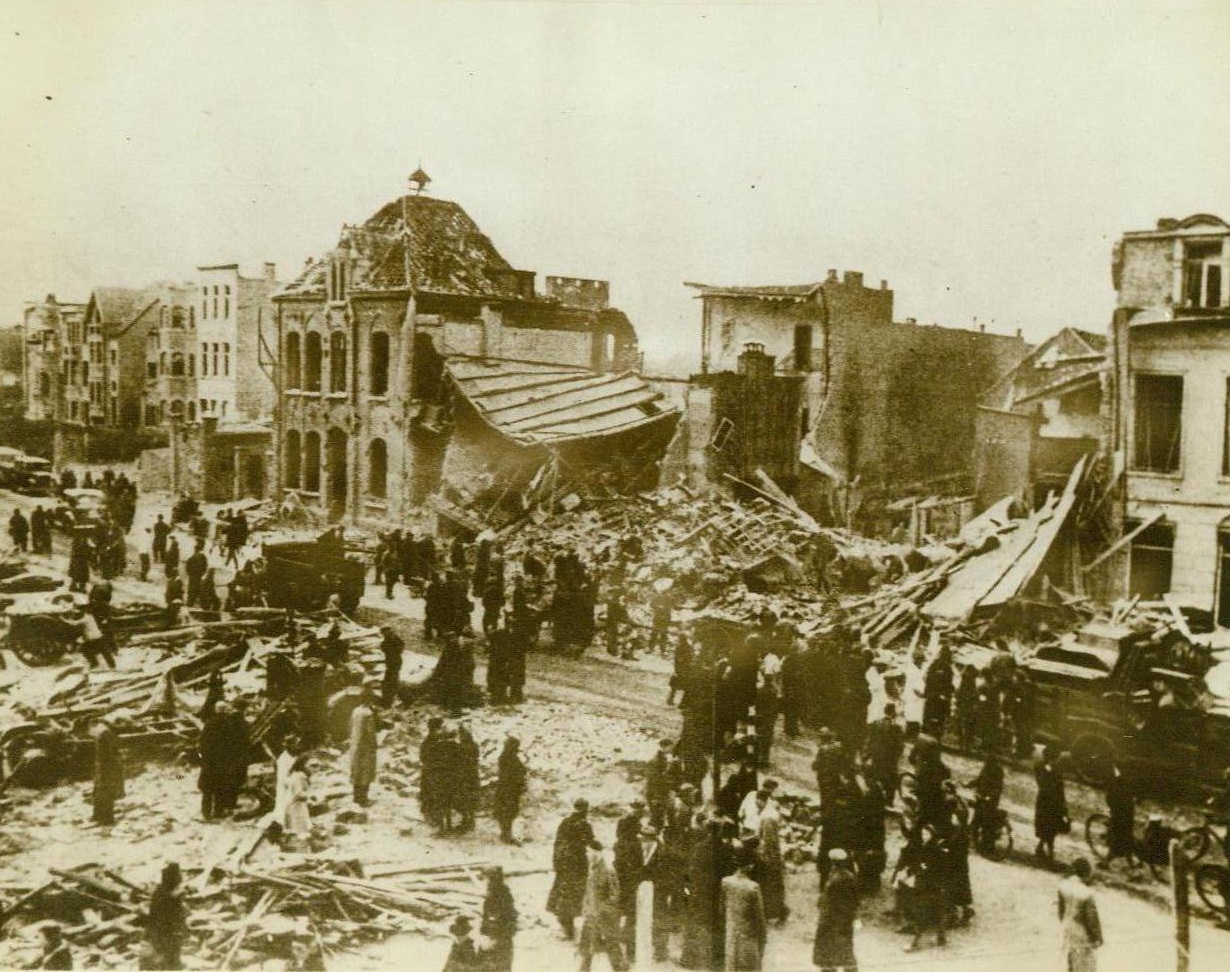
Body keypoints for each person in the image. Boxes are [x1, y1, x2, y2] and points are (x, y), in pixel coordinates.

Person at [548, 799, 595, 939]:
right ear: (585, 809)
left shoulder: (565, 822)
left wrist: (556, 863)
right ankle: (569, 927)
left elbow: (557, 843)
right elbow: (591, 842)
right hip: (577, 865)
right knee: (575, 895)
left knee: (563, 894)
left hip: (563, 865)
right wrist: (600, 847)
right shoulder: (584, 824)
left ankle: (566, 925)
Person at [580, 840, 627, 972]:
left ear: (596, 852)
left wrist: (602, 910)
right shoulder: (593, 867)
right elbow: (589, 892)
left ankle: (621, 969)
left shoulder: (608, 869)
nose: (586, 854)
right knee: (587, 944)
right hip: (592, 915)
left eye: (588, 852)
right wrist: (586, 908)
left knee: (612, 945)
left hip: (607, 916)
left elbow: (615, 895)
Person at [813, 848, 859, 972]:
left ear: (833, 862)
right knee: (846, 951)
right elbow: (855, 900)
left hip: (833, 921)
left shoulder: (835, 879)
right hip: (845, 920)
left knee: (829, 953)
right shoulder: (850, 876)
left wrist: (823, 918)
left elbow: (830, 901)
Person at [722, 855, 767, 972]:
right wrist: (763, 934)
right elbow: (759, 915)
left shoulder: (726, 882)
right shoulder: (753, 887)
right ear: (750, 866)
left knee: (732, 963)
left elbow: (722, 907)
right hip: (748, 932)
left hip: (731, 931)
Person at [1057, 858, 1103, 972]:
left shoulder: (1063, 886)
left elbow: (1061, 911)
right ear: (1086, 873)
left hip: (1067, 928)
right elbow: (1091, 919)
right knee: (1084, 966)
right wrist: (1097, 936)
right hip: (1082, 935)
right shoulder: (1087, 894)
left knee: (1069, 961)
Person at [144, 862, 187, 970]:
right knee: (171, 951)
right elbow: (175, 914)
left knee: (167, 951)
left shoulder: (158, 892)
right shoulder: (171, 896)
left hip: (158, 930)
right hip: (166, 930)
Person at [1034, 745, 1068, 865]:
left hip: (1052, 802)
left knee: (1049, 828)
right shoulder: (1045, 768)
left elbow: (1059, 786)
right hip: (1048, 802)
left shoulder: (1052, 767)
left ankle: (1041, 848)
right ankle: (1050, 853)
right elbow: (1045, 784)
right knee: (1048, 828)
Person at [480, 867, 517, 972]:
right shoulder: (502, 890)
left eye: (485, 878)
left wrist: (490, 934)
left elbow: (493, 916)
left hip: (498, 933)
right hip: (504, 933)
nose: (483, 881)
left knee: (495, 961)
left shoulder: (495, 893)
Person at [90, 718, 124, 825]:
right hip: (104, 766)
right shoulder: (102, 731)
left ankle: (106, 819)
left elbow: (109, 754)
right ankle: (99, 817)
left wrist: (102, 770)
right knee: (99, 791)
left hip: (107, 767)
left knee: (105, 791)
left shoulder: (102, 733)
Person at [971, 752, 1005, 856]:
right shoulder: (986, 768)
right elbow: (979, 779)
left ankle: (986, 846)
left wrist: (989, 796)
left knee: (986, 823)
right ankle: (975, 842)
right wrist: (968, 784)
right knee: (976, 820)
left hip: (990, 802)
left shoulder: (998, 771)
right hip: (981, 798)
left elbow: (998, 787)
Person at [494, 736, 526, 844]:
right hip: (510, 789)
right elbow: (518, 770)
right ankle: (506, 834)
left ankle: (505, 833)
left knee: (506, 811)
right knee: (509, 811)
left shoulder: (505, 756)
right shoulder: (510, 757)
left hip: (505, 788)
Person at [348, 692, 378, 806]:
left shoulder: (355, 711)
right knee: (366, 772)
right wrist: (374, 744)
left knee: (356, 770)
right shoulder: (368, 714)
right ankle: (363, 799)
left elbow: (350, 726)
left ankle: (356, 797)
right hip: (366, 746)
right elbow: (370, 732)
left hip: (355, 745)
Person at [1104, 764, 1136, 867]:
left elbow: (1110, 798)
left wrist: (1111, 809)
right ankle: (1131, 865)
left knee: (1115, 837)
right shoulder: (1129, 780)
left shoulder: (1115, 782)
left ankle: (1106, 862)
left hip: (1119, 814)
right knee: (1127, 837)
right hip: (1128, 813)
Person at [380, 626, 404, 706]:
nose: (382, 634)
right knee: (393, 676)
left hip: (394, 661)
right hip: (393, 661)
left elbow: (398, 647)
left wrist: (385, 648)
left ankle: (390, 696)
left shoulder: (391, 638)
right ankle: (391, 692)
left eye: (383, 632)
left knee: (391, 678)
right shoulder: (391, 637)